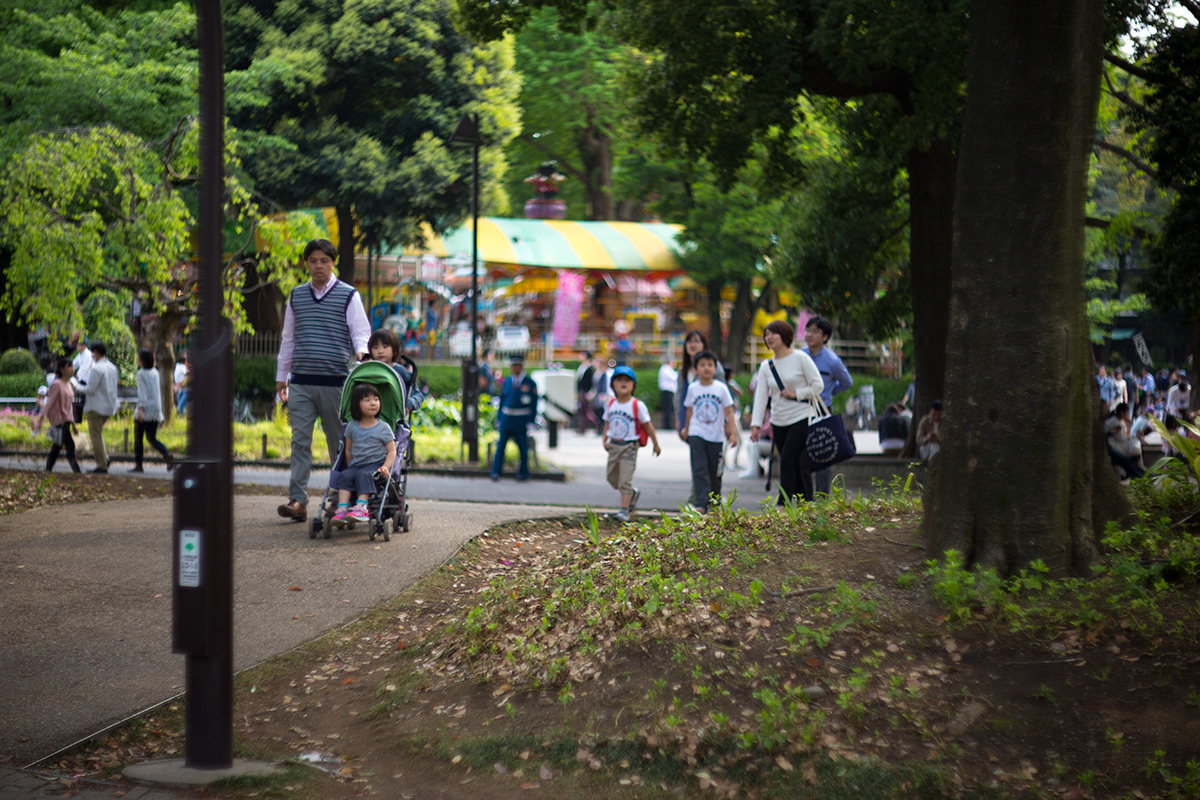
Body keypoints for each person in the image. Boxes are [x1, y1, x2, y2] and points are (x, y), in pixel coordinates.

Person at [275, 238, 371, 522]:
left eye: (324, 261)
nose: (319, 266)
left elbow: (360, 332)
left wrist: (362, 353)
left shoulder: (348, 295)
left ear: (333, 263)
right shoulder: (297, 295)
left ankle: (336, 499)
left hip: (336, 383)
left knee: (338, 444)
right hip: (301, 381)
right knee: (299, 441)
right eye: (313, 261)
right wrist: (282, 377)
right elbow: (288, 339)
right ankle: (297, 500)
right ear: (307, 263)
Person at [749, 321, 824, 504]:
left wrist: (796, 394)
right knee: (797, 465)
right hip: (778, 421)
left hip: (801, 417)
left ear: (785, 335)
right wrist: (755, 425)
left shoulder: (800, 358)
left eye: (773, 333)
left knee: (787, 460)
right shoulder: (766, 366)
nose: (769, 337)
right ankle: (806, 503)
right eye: (766, 334)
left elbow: (818, 385)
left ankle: (783, 504)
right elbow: (760, 397)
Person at [330, 383, 398, 527]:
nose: (373, 403)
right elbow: (348, 450)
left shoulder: (383, 428)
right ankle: (342, 508)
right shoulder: (351, 427)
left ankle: (362, 508)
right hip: (357, 464)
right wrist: (350, 466)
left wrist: (385, 467)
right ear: (356, 404)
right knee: (346, 475)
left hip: (375, 465)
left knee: (363, 474)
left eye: (376, 399)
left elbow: (392, 451)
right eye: (367, 400)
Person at [801, 316, 854, 496]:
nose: (809, 334)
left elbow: (847, 382)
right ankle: (805, 498)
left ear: (825, 337)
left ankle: (822, 498)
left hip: (822, 411)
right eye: (808, 330)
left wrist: (829, 393)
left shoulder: (832, 361)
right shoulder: (799, 356)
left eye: (815, 331)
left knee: (823, 454)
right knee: (802, 454)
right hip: (801, 410)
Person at [602, 365, 661, 522]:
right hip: (614, 446)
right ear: (613, 384)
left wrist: (656, 443)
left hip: (629, 447)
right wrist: (604, 439)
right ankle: (632, 494)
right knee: (611, 477)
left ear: (633, 385)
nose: (623, 383)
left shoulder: (637, 405)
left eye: (627, 380)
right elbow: (607, 422)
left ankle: (624, 510)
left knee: (625, 480)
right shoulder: (611, 404)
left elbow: (648, 425)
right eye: (619, 380)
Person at [682, 350, 737, 513]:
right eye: (702, 365)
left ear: (715, 368)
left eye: (710, 365)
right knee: (699, 468)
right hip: (696, 433)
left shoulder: (721, 388)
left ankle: (714, 501)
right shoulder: (693, 388)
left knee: (714, 471)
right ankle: (701, 503)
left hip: (716, 436)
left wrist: (732, 432)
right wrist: (686, 429)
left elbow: (729, 411)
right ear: (696, 368)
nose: (706, 368)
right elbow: (689, 410)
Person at [491, 354, 538, 482]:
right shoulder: (507, 382)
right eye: (513, 366)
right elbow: (502, 401)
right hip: (507, 420)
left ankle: (523, 473)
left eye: (518, 365)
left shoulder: (529, 383)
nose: (515, 368)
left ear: (522, 366)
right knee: (500, 447)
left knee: (523, 448)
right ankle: (496, 471)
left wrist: (531, 420)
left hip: (521, 420)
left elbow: (533, 404)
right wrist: (499, 418)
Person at [78, 341, 119, 474]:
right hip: (109, 405)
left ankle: (102, 465)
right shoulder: (112, 367)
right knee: (98, 435)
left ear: (95, 352)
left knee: (95, 436)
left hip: (95, 407)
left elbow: (90, 389)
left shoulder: (97, 369)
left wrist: (75, 386)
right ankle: (104, 459)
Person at [676, 331, 726, 439]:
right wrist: (679, 419)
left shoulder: (715, 368)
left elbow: (723, 394)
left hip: (711, 421)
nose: (693, 345)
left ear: (704, 344)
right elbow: (679, 397)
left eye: (697, 341)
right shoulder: (683, 371)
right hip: (691, 420)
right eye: (689, 342)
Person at [131, 349, 173, 472]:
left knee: (138, 439)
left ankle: (139, 465)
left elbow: (142, 394)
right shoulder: (155, 372)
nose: (137, 360)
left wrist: (140, 410)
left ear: (143, 360)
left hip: (145, 410)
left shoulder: (141, 374)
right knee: (152, 438)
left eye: (138, 358)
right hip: (155, 408)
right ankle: (166, 455)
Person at [35, 358, 81, 473]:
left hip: (66, 420)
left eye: (72, 366)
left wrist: (74, 424)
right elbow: (49, 403)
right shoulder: (57, 385)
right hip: (60, 421)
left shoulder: (68, 384)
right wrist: (40, 420)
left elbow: (69, 406)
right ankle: (77, 471)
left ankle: (48, 469)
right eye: (69, 367)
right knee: (69, 446)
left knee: (57, 446)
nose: (72, 369)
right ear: (62, 369)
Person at [368, 329, 425, 412]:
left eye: (385, 347)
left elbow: (418, 395)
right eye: (375, 348)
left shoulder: (400, 371)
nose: (380, 351)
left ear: (394, 349)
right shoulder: (368, 371)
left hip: (395, 418)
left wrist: (408, 405)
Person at [575, 351, 597, 432]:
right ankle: (582, 427)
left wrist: (590, 392)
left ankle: (595, 424)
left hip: (586, 391)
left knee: (587, 410)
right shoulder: (582, 367)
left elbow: (591, 381)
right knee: (582, 410)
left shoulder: (590, 367)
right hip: (582, 391)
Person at [658, 356, 678, 430]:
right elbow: (674, 377)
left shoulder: (668, 369)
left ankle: (669, 425)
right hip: (667, 391)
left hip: (670, 392)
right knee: (667, 409)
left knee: (669, 409)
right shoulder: (665, 369)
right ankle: (667, 426)